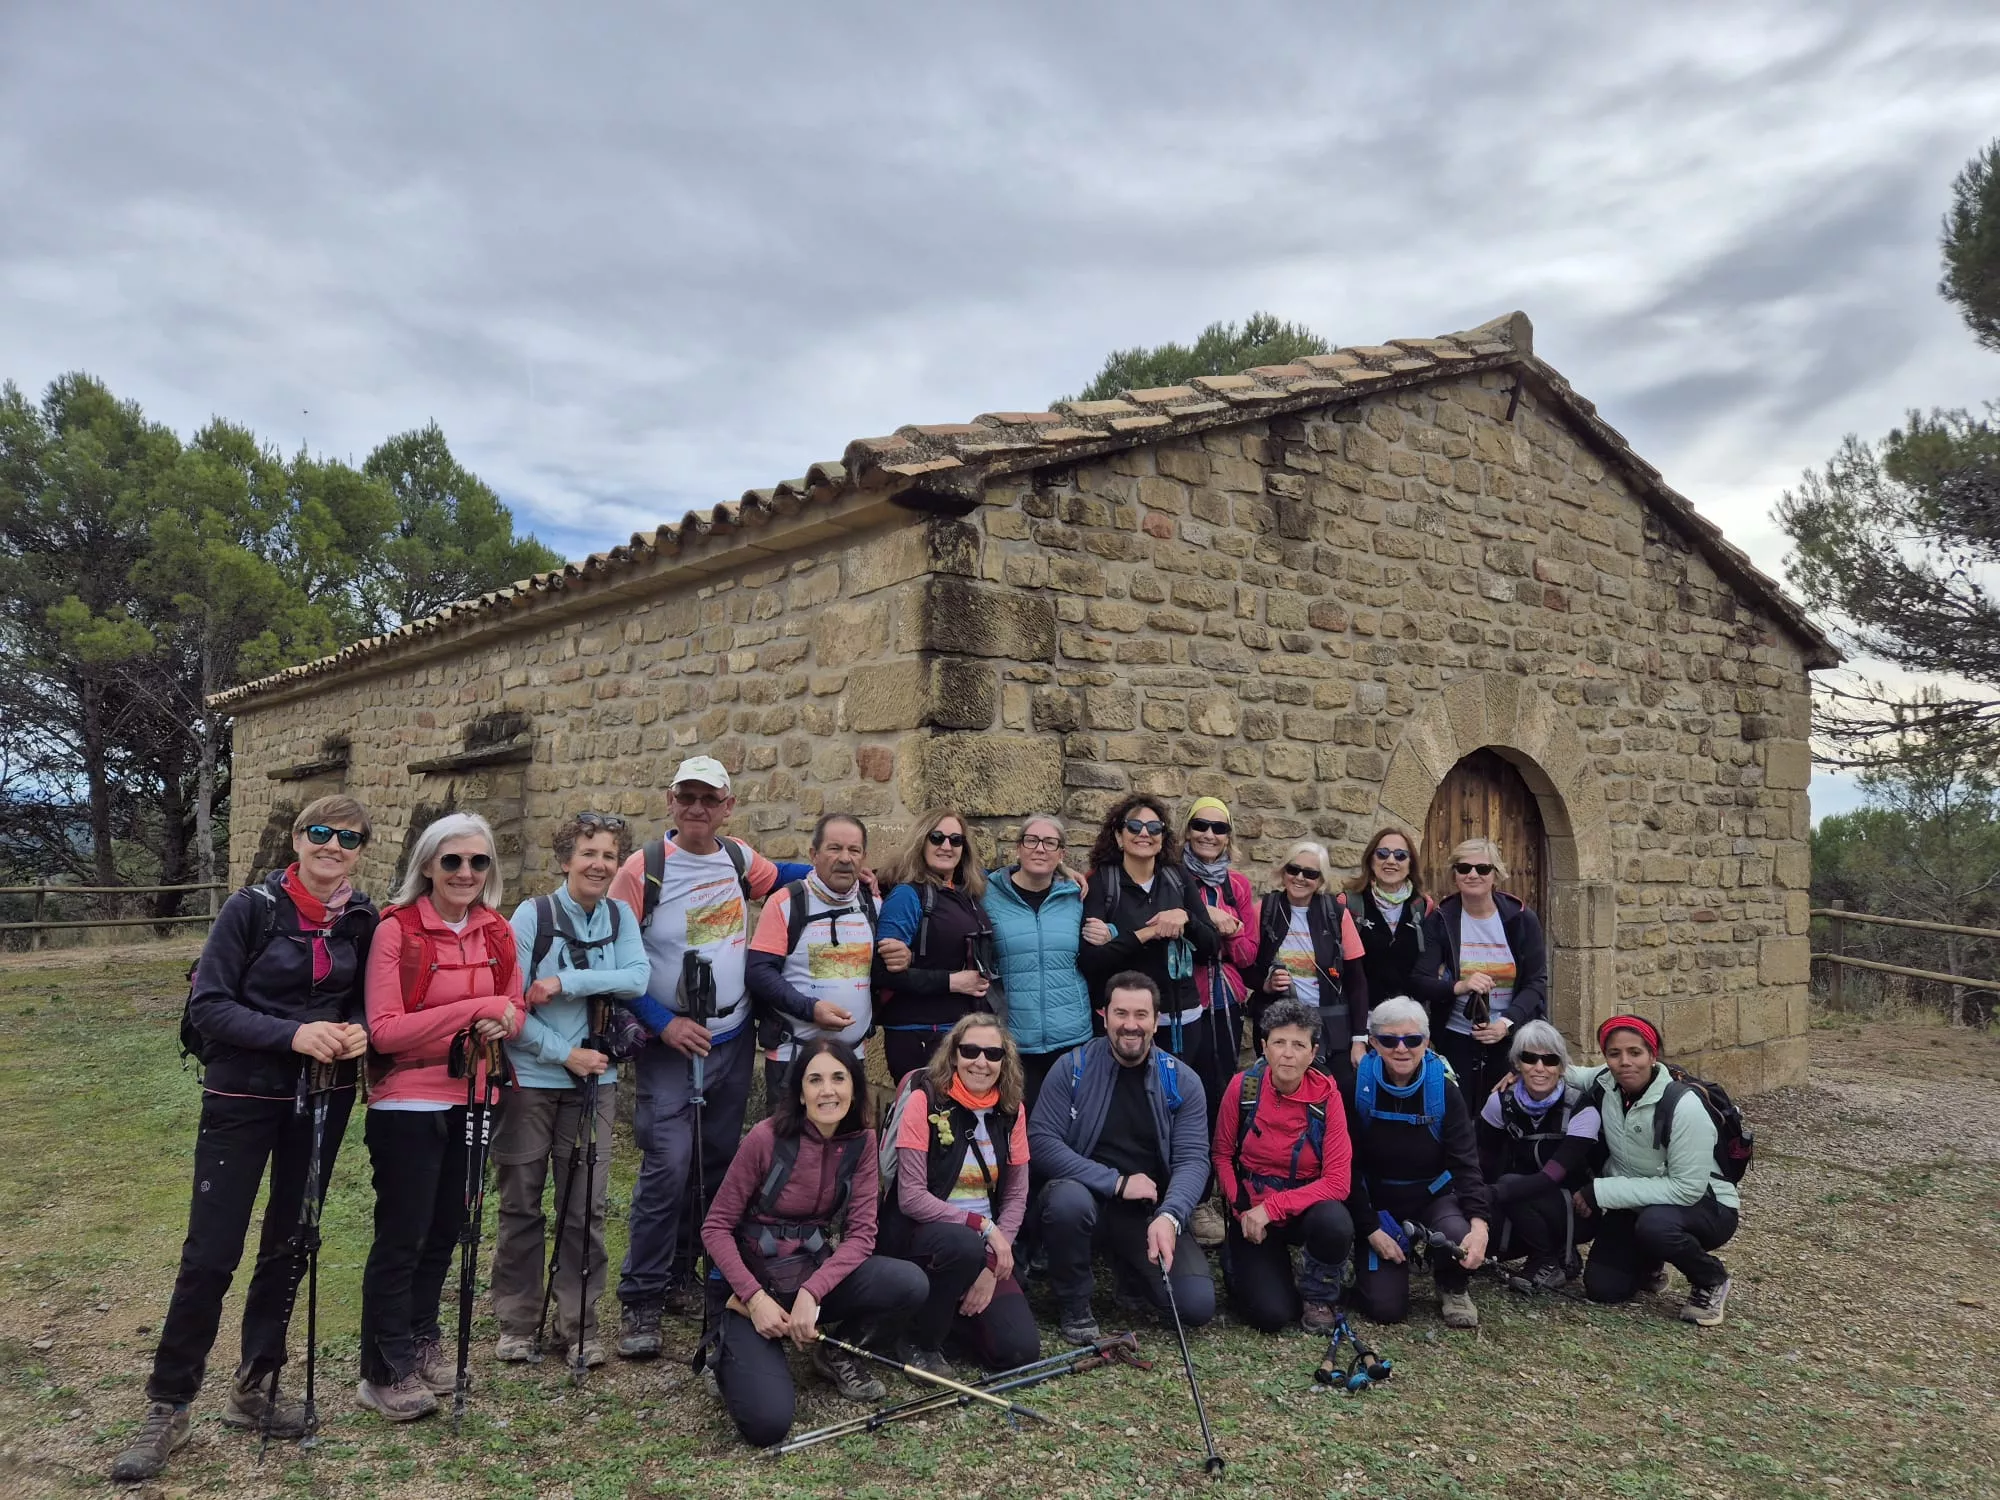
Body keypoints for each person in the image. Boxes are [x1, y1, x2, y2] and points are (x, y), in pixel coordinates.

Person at [111, 800, 379, 1482]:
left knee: (292, 1242)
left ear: (360, 850)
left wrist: (355, 1031)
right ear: (297, 840)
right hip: (242, 1093)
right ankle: (169, 1404)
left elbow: (363, 1002)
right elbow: (211, 1005)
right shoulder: (251, 910)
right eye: (321, 832)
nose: (333, 845)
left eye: (348, 838)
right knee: (212, 1250)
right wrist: (292, 1033)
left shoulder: (361, 918)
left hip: (322, 1095)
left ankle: (257, 1385)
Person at [607, 755, 781, 1358]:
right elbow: (615, 963)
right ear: (670, 800)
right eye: (688, 798)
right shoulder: (642, 869)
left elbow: (783, 877)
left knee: (718, 1160)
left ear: (728, 806)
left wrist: (858, 872)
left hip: (731, 1037)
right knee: (667, 1164)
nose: (698, 809)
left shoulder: (737, 858)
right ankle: (642, 1298)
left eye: (710, 799)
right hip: (671, 1045)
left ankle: (688, 1272)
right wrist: (662, 1023)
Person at [358, 812, 523, 1420]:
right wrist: (479, 1006)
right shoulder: (396, 931)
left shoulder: (497, 932)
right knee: (403, 1233)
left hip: (475, 1096)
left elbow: (518, 1011)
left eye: (478, 862)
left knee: (448, 1227)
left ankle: (420, 1339)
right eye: (452, 860)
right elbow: (385, 1031)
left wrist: (502, 1017)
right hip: (407, 1100)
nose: (465, 872)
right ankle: (382, 1367)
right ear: (426, 864)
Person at [701, 1040, 927, 1447]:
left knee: (909, 1282)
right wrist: (753, 1299)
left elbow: (862, 1236)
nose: (828, 1090)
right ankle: (726, 1348)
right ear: (800, 1092)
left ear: (855, 1088)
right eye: (815, 1079)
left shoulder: (861, 1143)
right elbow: (715, 1227)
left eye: (839, 1078)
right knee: (768, 1424)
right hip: (752, 1290)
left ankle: (839, 1352)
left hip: (810, 1275)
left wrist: (812, 1291)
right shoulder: (765, 1139)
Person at [490, 813, 650, 1367]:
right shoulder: (531, 916)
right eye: (588, 852)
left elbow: (637, 977)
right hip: (532, 1079)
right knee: (522, 1202)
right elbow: (509, 1007)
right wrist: (566, 1054)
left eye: (609, 855)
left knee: (587, 1206)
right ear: (565, 860)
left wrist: (566, 982)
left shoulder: (621, 915)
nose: (599, 864)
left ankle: (578, 1324)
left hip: (596, 1085)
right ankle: (517, 1321)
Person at [1029, 971, 1214, 1345]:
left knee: (1195, 1306)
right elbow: (1041, 1141)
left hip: (1146, 1213)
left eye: (1141, 1015)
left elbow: (1194, 1160)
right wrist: (1115, 1182)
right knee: (1066, 1200)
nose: (1131, 1025)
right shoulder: (1072, 1068)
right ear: (1104, 1015)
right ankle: (1075, 1302)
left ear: (1156, 1019)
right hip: (1085, 1201)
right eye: (1121, 1014)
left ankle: (1131, 1269)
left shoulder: (1183, 1081)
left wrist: (1171, 1215)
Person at [879, 1014, 1040, 1375]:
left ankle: (942, 1313)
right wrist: (983, 1227)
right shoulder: (926, 1100)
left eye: (993, 1054)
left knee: (1018, 1352)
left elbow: (1016, 1196)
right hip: (923, 1235)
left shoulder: (1012, 1111)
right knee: (962, 1245)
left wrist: (994, 1264)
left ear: (1005, 1060)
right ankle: (921, 1342)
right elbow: (911, 1197)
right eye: (970, 1051)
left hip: (984, 1246)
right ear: (953, 1055)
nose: (981, 1062)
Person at [1570, 1015, 1740, 1326]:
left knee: (1656, 1226)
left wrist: (1600, 1191)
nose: (1625, 1062)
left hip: (1705, 1205)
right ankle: (1649, 1265)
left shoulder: (1683, 1105)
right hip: (1637, 1202)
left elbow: (1686, 1188)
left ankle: (1710, 1278)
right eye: (1614, 1054)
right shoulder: (1606, 1083)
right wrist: (1524, 1070)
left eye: (1635, 1053)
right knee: (1603, 1288)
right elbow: (1568, 1073)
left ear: (1653, 1054)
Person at [1343, 996, 1491, 1330]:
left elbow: (1467, 1163)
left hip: (1433, 1198)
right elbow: (1344, 1167)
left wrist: (1479, 1226)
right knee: (1385, 1309)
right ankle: (1376, 1262)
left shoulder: (1445, 1090)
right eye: (1389, 1040)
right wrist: (1370, 1229)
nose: (1401, 1049)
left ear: (1426, 1042)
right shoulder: (1355, 1088)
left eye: (1412, 1040)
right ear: (1373, 1043)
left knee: (1457, 1231)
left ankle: (1452, 1284)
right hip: (1378, 1207)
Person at [1210, 998, 1355, 1333]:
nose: (1288, 1054)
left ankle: (1318, 1291)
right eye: (1278, 1043)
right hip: (1251, 1208)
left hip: (1303, 1208)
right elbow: (1221, 1154)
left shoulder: (1327, 1097)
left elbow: (1337, 1182)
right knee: (1272, 1315)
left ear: (1312, 1051)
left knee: (1335, 1220)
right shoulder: (1242, 1088)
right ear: (1264, 1047)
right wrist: (1242, 1210)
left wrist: (1273, 1208)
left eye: (1298, 1044)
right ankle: (1244, 1263)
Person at [1077, 796, 1221, 1083]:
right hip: (1124, 1021)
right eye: (1134, 826)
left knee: (1174, 1100)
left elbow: (1211, 947)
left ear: (1162, 837)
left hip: (1180, 1019)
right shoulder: (1102, 883)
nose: (1144, 833)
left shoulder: (1177, 877)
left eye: (1154, 827)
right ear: (1119, 836)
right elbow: (1091, 961)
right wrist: (1146, 933)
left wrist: (1187, 919)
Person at [746, 813, 875, 1108]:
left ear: (864, 857)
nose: (845, 858)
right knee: (793, 1149)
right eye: (834, 848)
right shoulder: (787, 901)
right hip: (794, 1058)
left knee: (846, 1147)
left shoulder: (871, 903)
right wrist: (811, 1009)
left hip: (852, 1057)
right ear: (814, 854)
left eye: (854, 850)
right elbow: (758, 971)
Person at [872, 808, 995, 1085]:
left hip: (961, 1031)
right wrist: (953, 982)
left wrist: (1062, 869)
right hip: (920, 1035)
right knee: (924, 1119)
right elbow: (882, 972)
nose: (946, 846)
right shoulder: (907, 895)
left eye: (956, 840)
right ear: (921, 841)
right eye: (937, 837)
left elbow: (1011, 875)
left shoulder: (964, 892)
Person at [1475, 1019, 1601, 1290]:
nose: (1540, 1068)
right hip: (1515, 1203)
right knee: (1481, 1245)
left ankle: (1549, 1259)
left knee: (1510, 1184)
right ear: (1517, 1064)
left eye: (1550, 1060)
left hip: (1574, 1208)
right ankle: (1553, 1253)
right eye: (1530, 1058)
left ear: (1562, 1066)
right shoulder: (1500, 1102)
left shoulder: (1581, 1109)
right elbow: (1481, 1159)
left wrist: (1493, 1194)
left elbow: (1552, 1175)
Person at [975, 814, 1088, 1113]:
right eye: (1032, 840)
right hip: (1015, 1038)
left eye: (1050, 843)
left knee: (1068, 1125)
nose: (1040, 849)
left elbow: (1107, 930)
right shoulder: (987, 894)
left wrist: (1109, 932)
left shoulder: (1076, 897)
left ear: (1061, 854)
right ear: (1018, 848)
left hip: (1071, 1034)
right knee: (1019, 1126)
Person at [1431, 838, 1548, 1108]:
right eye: (1464, 868)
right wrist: (1459, 986)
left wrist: (1506, 1024)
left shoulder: (1520, 919)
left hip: (1510, 1037)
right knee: (1457, 1114)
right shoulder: (1441, 918)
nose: (1473, 874)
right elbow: (1420, 979)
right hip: (1456, 1036)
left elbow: (1536, 982)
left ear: (1496, 874)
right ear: (1454, 874)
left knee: (1504, 1111)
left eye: (1482, 868)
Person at [1248, 841, 1369, 1085]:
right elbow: (1242, 966)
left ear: (1321, 881)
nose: (1300, 878)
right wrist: (1266, 984)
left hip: (1329, 1028)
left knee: (1333, 1094)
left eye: (1310, 873)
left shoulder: (1336, 914)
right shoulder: (1264, 910)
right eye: (1293, 870)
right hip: (1279, 1026)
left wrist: (1359, 1040)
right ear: (1283, 872)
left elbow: (1357, 981)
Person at [1335, 827, 1451, 1070]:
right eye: (1383, 853)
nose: (1391, 861)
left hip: (1408, 1027)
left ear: (1411, 864)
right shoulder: (1348, 903)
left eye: (1400, 855)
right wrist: (1357, 1036)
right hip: (1360, 1023)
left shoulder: (1424, 907)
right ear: (1371, 859)